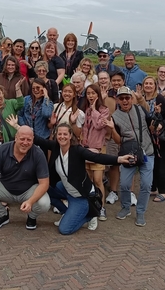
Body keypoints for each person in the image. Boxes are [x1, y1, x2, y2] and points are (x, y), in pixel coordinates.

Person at [25, 122, 133, 235]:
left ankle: (90, 216)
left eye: (65, 134)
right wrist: (18, 127)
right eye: (59, 134)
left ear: (70, 135)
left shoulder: (77, 151)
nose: (62, 136)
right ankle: (67, 213)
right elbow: (37, 139)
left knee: (64, 230)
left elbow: (97, 157)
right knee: (45, 190)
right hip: (67, 189)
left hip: (81, 196)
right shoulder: (55, 147)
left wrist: (119, 159)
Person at [0, 126, 52, 230]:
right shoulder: (2, 150)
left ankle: (32, 217)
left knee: (44, 203)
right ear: (16, 138)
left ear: (33, 140)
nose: (25, 142)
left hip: (28, 191)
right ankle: (2, 215)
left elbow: (44, 183)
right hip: (6, 188)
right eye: (22, 139)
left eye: (29, 140)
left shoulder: (38, 154)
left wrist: (30, 201)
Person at [110, 86, 155, 226]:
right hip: (128, 154)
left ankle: (141, 212)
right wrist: (111, 128)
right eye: (121, 98)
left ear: (131, 98)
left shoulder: (140, 109)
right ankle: (125, 207)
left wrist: (157, 120)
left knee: (146, 184)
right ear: (117, 100)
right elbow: (117, 140)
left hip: (147, 151)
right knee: (124, 184)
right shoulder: (115, 116)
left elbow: (151, 126)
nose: (125, 101)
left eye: (127, 98)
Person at [140, 76, 165, 203]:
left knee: (161, 164)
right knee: (151, 163)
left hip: (161, 138)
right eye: (146, 83)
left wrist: (162, 123)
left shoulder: (159, 98)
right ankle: (153, 188)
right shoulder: (142, 99)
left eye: (151, 83)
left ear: (155, 86)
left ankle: (164, 192)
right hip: (149, 138)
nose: (148, 86)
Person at [80, 83, 111, 221]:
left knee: (98, 180)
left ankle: (101, 207)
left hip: (98, 148)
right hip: (87, 148)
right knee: (89, 180)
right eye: (88, 93)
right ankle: (90, 206)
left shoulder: (104, 110)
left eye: (93, 93)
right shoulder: (86, 110)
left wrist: (94, 111)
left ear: (98, 94)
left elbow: (99, 125)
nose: (91, 96)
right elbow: (84, 129)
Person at [98, 71, 120, 205]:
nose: (103, 81)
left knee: (115, 163)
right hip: (106, 133)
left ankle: (114, 190)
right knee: (106, 162)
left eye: (106, 78)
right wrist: (102, 98)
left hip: (121, 133)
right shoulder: (104, 95)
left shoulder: (125, 95)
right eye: (101, 78)